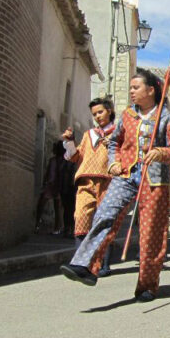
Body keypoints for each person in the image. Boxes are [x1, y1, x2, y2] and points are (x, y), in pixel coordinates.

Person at [60, 68, 170, 303]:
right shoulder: (127, 115)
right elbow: (115, 142)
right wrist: (113, 162)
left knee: (151, 233)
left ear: (150, 90)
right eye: (131, 88)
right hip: (126, 175)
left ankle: (147, 286)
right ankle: (86, 265)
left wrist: (160, 152)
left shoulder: (165, 117)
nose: (132, 92)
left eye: (136, 87)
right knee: (105, 214)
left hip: (155, 179)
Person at [60, 98, 116, 274]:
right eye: (94, 114)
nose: (98, 116)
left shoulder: (118, 134)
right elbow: (75, 156)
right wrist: (69, 142)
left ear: (109, 111)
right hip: (85, 181)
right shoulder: (88, 135)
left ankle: (104, 264)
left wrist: (115, 146)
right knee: (81, 217)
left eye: (100, 112)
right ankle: (80, 263)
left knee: (104, 221)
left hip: (108, 181)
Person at [36, 141, 66, 234]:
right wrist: (45, 181)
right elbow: (48, 171)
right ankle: (37, 224)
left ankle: (57, 228)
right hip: (50, 185)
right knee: (41, 204)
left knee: (57, 207)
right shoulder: (52, 160)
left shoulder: (65, 161)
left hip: (58, 185)